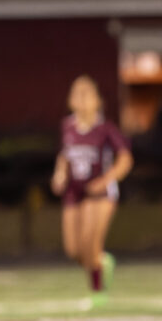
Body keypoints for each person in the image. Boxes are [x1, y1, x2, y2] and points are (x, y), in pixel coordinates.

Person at [50, 76, 133, 306]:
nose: (81, 99)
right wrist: (59, 174)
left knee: (89, 244)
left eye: (86, 94)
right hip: (74, 191)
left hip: (98, 192)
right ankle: (102, 261)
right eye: (77, 94)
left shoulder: (105, 128)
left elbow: (125, 159)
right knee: (73, 249)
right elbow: (64, 155)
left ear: (97, 99)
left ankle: (97, 292)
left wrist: (106, 179)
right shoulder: (67, 126)